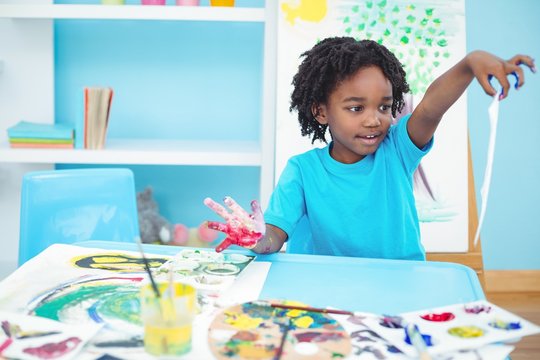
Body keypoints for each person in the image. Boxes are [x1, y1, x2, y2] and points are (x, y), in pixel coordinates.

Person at [204, 36, 535, 260]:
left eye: (384, 107)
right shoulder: (302, 170)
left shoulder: (397, 149)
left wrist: (469, 64)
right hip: (324, 295)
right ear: (321, 111)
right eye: (355, 108)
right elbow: (276, 231)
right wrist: (259, 239)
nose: (374, 120)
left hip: (401, 286)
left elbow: (431, 108)